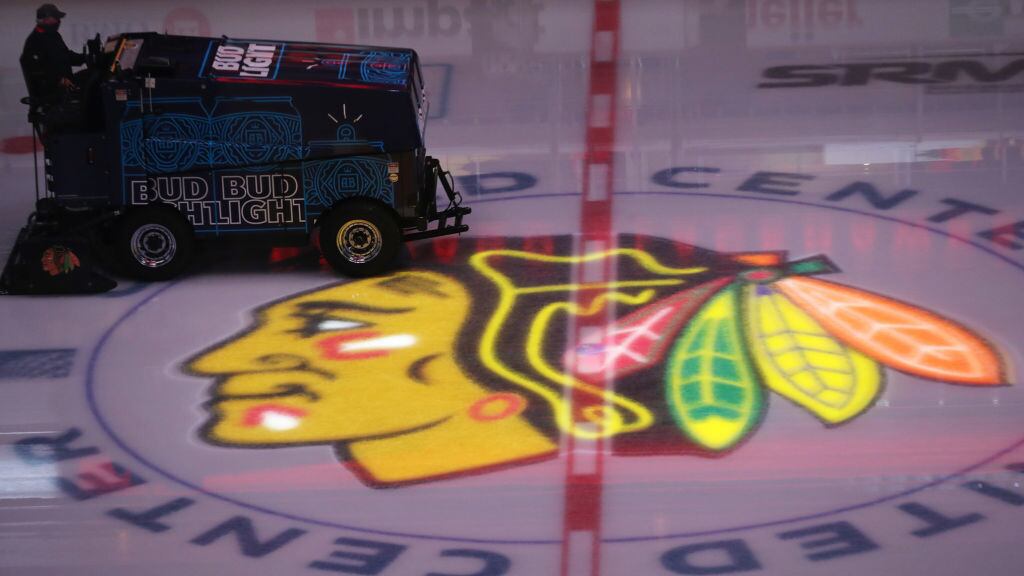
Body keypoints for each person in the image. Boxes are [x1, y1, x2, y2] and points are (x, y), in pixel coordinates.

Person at [20, 4, 85, 108]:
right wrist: (60, 80)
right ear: (46, 19)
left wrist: (85, 57)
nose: (58, 21)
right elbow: (36, 70)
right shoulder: (34, 41)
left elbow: (65, 55)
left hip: (63, 91)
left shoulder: (53, 36)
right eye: (56, 18)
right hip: (52, 94)